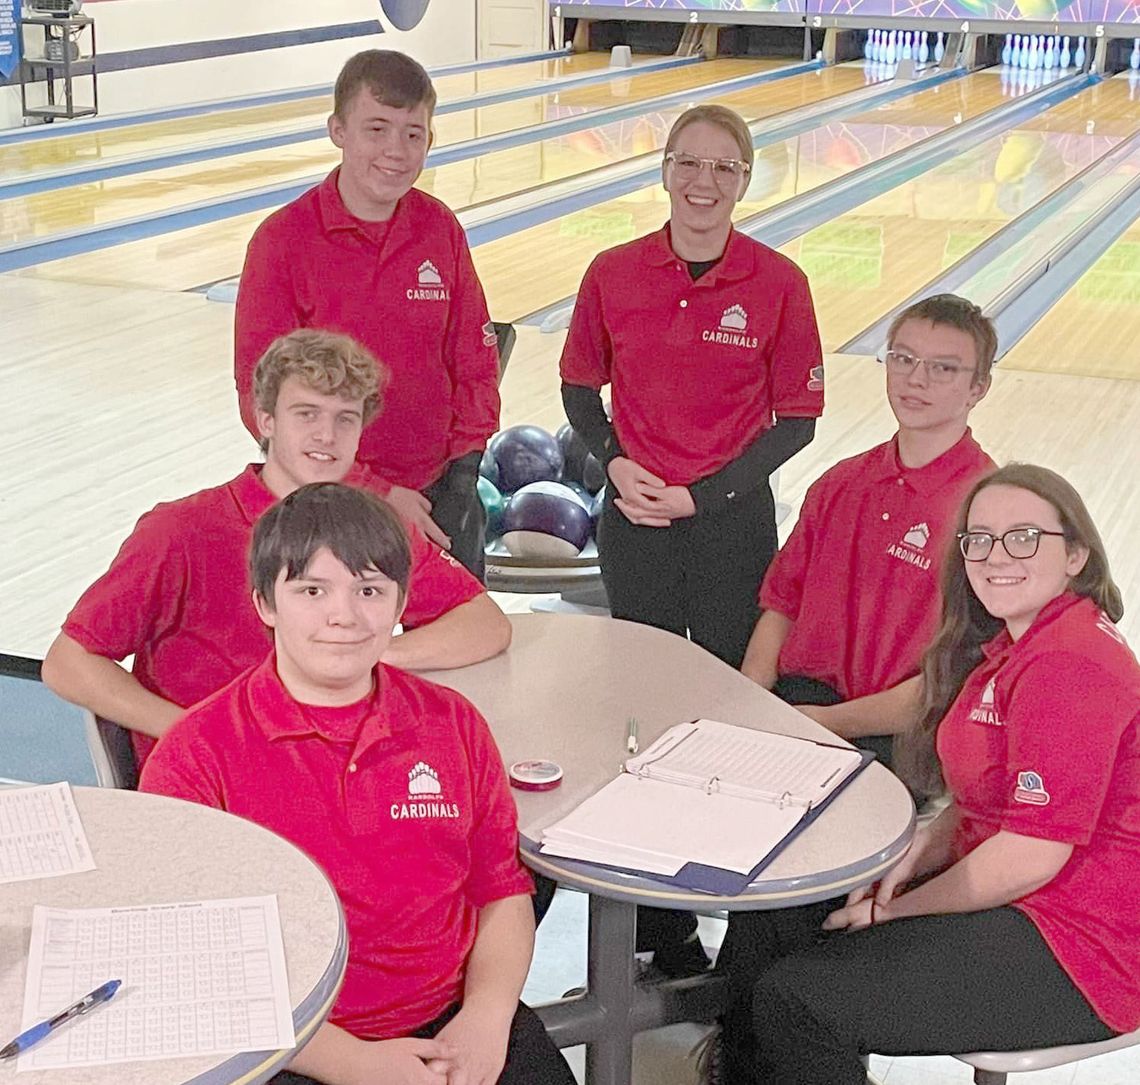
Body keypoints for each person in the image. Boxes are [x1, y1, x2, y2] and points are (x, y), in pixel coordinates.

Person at [140, 483, 576, 1085]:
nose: (343, 615)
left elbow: (500, 892)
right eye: (312, 590)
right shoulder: (195, 756)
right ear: (265, 602)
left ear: (401, 604)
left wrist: (487, 1015)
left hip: (453, 1024)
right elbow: (195, 963)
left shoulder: (453, 724)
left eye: (369, 590)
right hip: (294, 1044)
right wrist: (350, 1063)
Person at [722, 464, 1140, 1084]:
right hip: (1024, 899)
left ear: (1076, 553)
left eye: (1025, 537)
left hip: (1081, 943)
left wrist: (897, 912)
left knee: (800, 1001)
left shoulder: (1067, 666)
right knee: (780, 910)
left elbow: (1028, 856)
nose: (997, 555)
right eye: (980, 539)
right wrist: (915, 852)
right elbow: (982, 804)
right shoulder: (1011, 648)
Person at [558, 103, 824, 977]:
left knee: (724, 713)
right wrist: (611, 464)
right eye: (689, 164)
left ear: (746, 180)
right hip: (634, 520)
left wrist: (704, 496)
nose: (704, 183)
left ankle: (724, 889)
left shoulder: (777, 282)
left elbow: (798, 421)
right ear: (665, 170)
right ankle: (651, 926)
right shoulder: (614, 272)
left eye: (724, 167)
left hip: (730, 528)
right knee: (633, 713)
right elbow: (577, 388)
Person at [42, 329, 510, 771]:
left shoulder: (376, 526)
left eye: (344, 418)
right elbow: (68, 663)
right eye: (306, 414)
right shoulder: (180, 531)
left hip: (332, 767)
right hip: (215, 782)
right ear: (266, 421)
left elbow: (485, 624)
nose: (327, 435)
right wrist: (192, 732)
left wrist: (365, 650)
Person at [234, 49, 500, 578]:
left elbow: (473, 357)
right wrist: (370, 489)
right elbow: (258, 398)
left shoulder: (438, 227)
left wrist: (464, 469)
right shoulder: (282, 242)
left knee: (457, 654)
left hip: (438, 495)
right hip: (325, 499)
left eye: (413, 134)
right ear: (338, 129)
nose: (396, 151)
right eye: (377, 128)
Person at [740, 294, 996, 769]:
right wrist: (752, 704)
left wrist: (826, 723)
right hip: (798, 706)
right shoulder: (841, 482)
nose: (915, 379)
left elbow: (949, 682)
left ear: (978, 387)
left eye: (943, 368)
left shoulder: (988, 510)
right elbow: (782, 604)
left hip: (900, 736)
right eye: (903, 358)